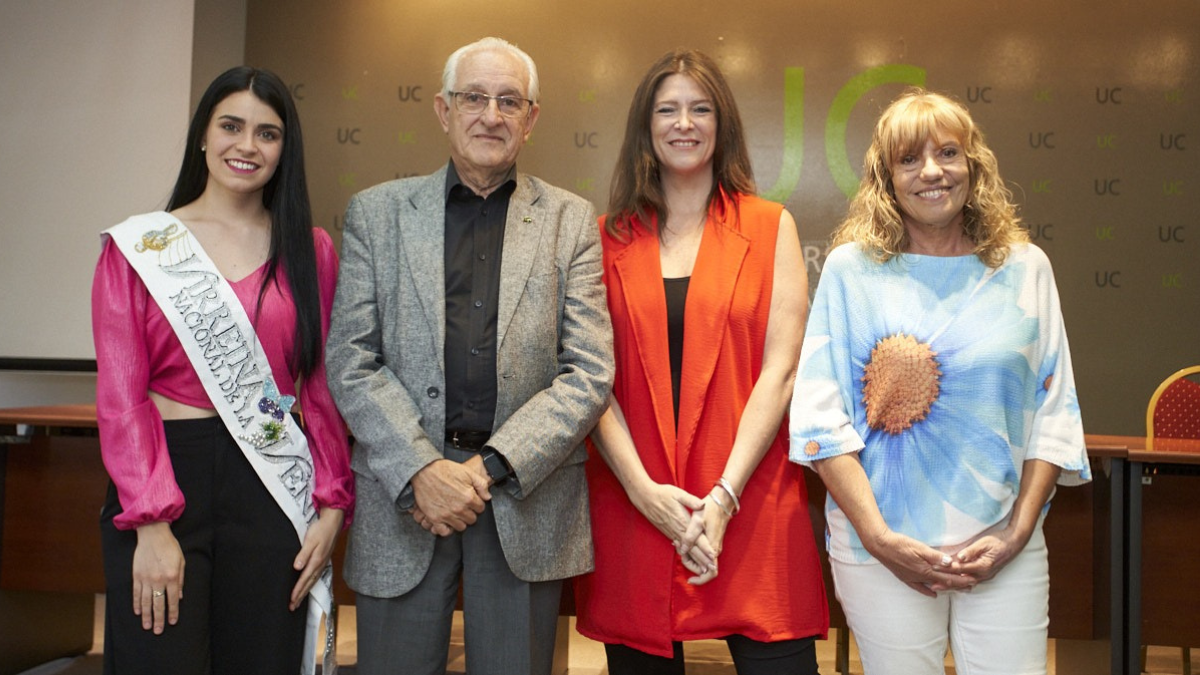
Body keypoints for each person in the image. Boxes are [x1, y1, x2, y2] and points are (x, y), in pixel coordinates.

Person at [324, 37, 613, 675]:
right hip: (406, 497)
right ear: (443, 110)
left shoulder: (570, 221)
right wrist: (423, 469)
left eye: (510, 100)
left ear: (531, 118)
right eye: (474, 97)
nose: (491, 114)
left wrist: (485, 470)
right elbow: (351, 359)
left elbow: (588, 372)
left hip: (520, 494)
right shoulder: (378, 214)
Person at [789, 88, 1091, 675]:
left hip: (1005, 547)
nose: (932, 171)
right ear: (886, 176)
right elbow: (822, 421)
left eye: (948, 153)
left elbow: (1053, 411)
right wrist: (879, 540)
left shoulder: (1026, 268)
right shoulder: (852, 271)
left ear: (973, 166)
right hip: (880, 551)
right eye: (910, 159)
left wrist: (1018, 531)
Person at [573, 49, 829, 675]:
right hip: (637, 500)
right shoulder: (603, 237)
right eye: (667, 109)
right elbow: (587, 376)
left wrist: (722, 497)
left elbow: (782, 371)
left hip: (751, 495)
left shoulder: (771, 227)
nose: (684, 123)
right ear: (646, 126)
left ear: (722, 125)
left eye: (700, 108)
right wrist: (643, 491)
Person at [92, 66, 353, 675]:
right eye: (231, 126)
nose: (247, 146)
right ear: (203, 137)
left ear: (284, 149)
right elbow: (121, 396)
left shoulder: (308, 250)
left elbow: (317, 387)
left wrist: (332, 503)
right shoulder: (140, 248)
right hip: (165, 479)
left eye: (268, 133)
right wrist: (151, 524)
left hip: (270, 480)